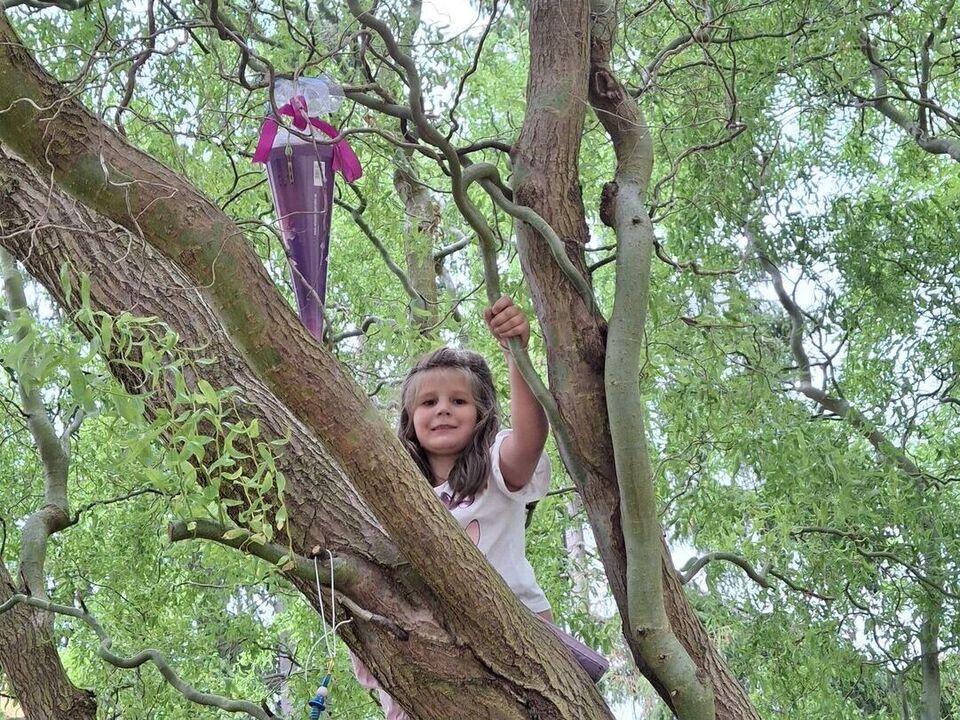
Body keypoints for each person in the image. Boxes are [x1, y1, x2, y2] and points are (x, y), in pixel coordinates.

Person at [352, 296, 605, 719]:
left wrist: (515, 354)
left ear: (481, 414)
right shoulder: (394, 494)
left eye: (458, 401)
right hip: (434, 644)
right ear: (410, 418)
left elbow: (530, 440)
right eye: (428, 403)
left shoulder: (494, 465)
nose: (443, 409)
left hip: (514, 632)